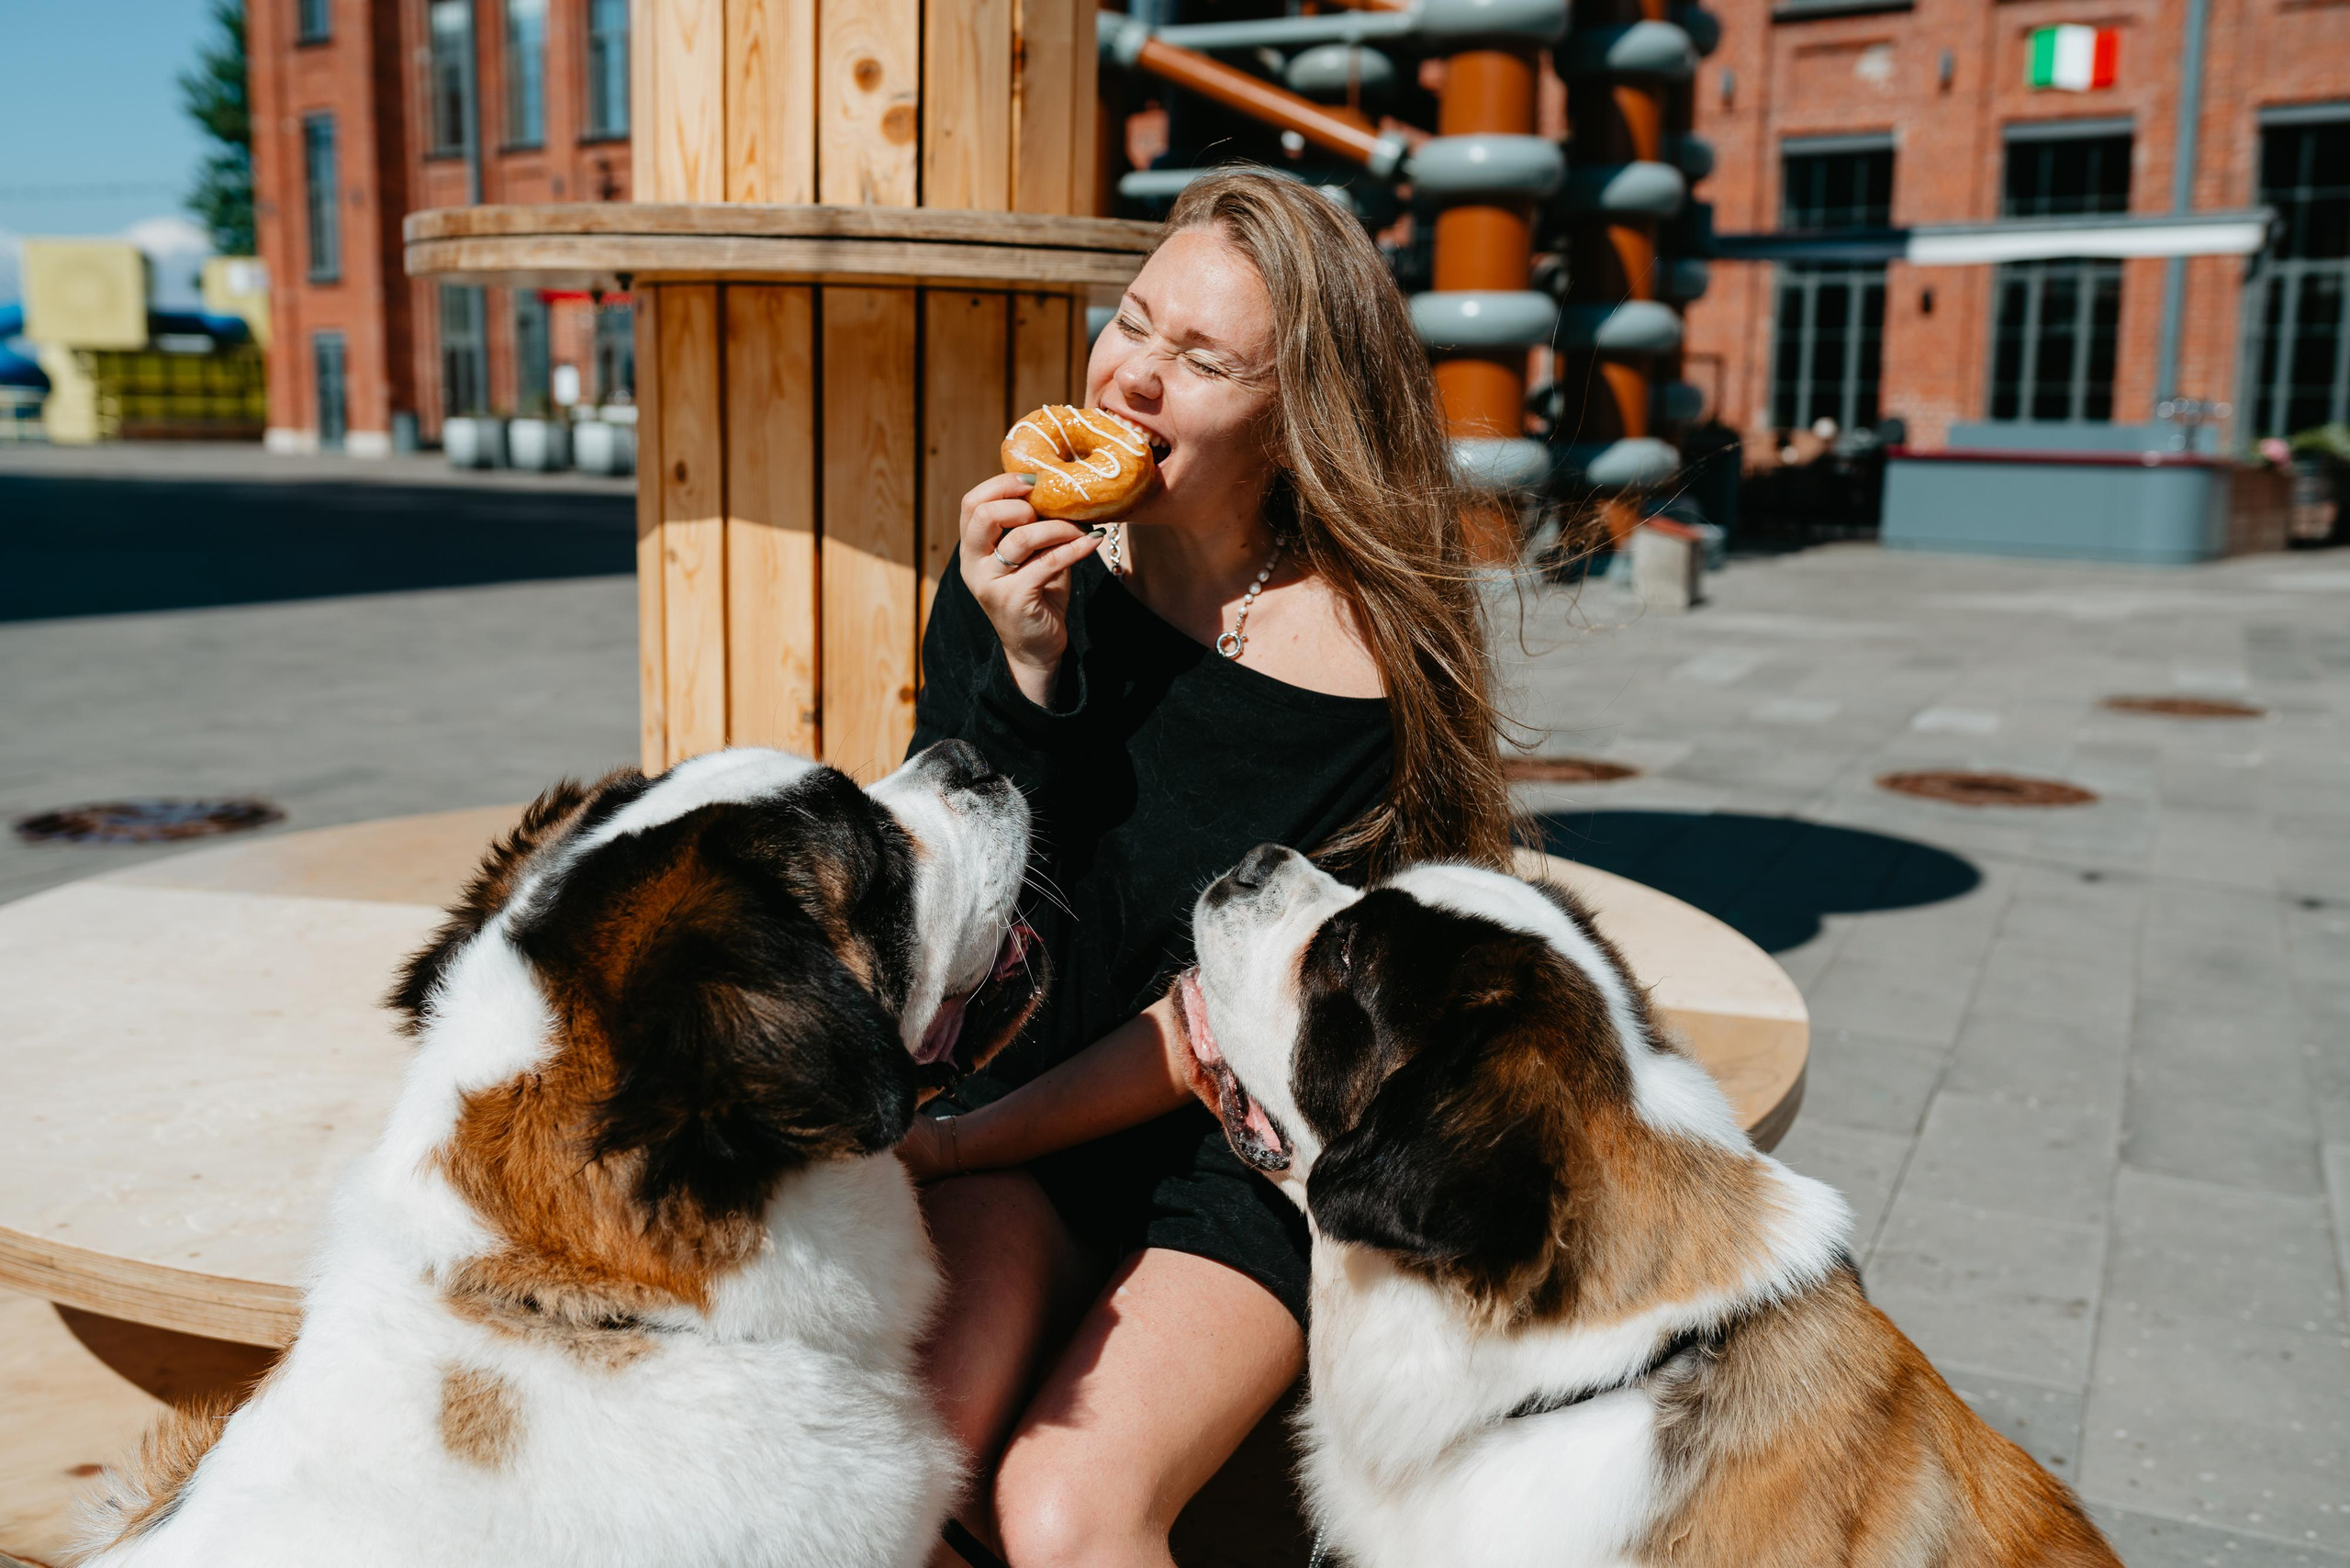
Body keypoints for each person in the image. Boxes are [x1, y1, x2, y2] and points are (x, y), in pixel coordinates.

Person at [900, 169, 1516, 1568]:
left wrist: (951, 1146)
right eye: (1131, 324)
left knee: (1067, 1514)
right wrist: (1026, 670)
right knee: (895, 1471)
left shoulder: (1373, 671)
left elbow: (1223, 1036)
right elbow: (965, 921)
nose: (1133, 381)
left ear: (1299, 416)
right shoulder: (1015, 572)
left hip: (1239, 1148)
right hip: (1016, 1113)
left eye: (1203, 360)